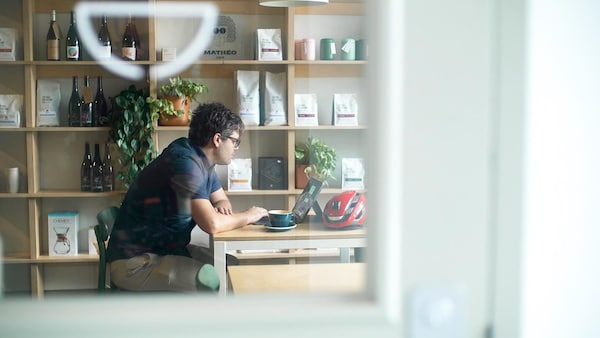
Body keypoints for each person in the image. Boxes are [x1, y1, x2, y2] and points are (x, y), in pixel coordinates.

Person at [106, 102, 268, 292]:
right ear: (217, 139)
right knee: (217, 280)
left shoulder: (200, 159)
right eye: (235, 141)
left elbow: (221, 199)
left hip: (166, 250)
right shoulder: (185, 164)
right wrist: (250, 215)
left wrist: (221, 209)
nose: (236, 147)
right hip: (136, 263)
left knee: (231, 266)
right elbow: (212, 224)